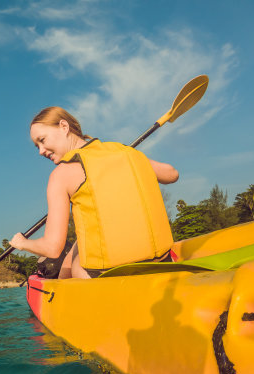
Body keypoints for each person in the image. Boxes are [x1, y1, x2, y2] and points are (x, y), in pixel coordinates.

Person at [9, 106, 179, 279]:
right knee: (79, 244)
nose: (40, 151)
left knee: (74, 259)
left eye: (42, 140)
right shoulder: (125, 152)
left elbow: (52, 248)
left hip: (106, 276)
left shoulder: (61, 175)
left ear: (64, 127)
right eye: (37, 146)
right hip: (162, 262)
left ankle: (60, 297)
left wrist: (23, 243)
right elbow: (172, 174)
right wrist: (134, 158)